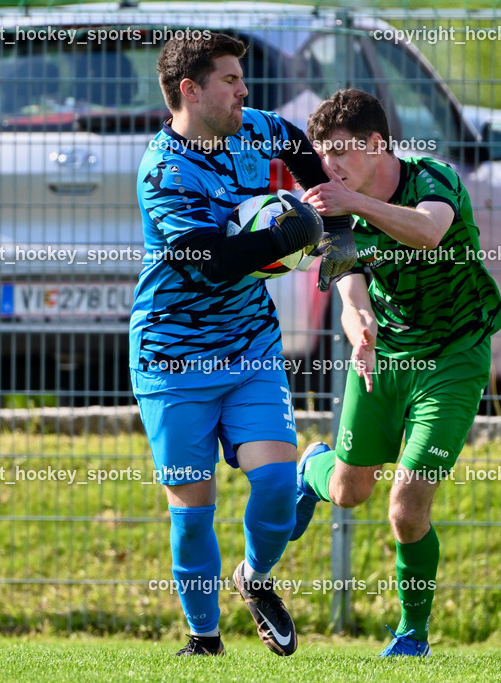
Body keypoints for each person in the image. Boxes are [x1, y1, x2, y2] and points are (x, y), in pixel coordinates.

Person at [130, 33, 356, 657]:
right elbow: (210, 262)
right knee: (193, 509)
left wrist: (331, 235)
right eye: (229, 81)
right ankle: (204, 641)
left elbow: (301, 153)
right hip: (171, 357)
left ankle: (255, 579)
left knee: (279, 482)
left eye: (241, 79)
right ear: (190, 91)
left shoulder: (256, 128)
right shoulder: (163, 171)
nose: (243, 91)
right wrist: (290, 233)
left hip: (249, 345)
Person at [290, 88, 501, 657]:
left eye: (341, 151)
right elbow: (347, 279)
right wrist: (359, 324)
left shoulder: (432, 179)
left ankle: (413, 634)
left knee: (406, 509)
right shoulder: (331, 206)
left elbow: (428, 230)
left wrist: (353, 205)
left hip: (453, 357)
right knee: (347, 491)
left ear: (377, 144)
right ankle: (312, 469)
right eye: (322, 152)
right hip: (385, 357)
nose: (328, 165)